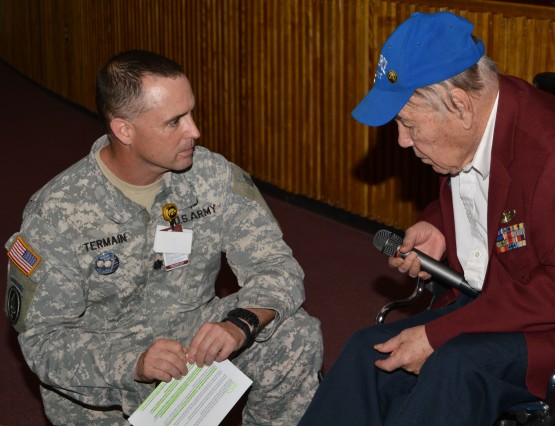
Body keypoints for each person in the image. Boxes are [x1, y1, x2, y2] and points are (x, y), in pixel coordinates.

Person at [300, 11, 555, 425]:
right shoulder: (482, 116)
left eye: (407, 124)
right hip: (494, 297)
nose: (403, 141)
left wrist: (439, 333)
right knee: (365, 351)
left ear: (459, 104)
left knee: (453, 366)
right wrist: (438, 226)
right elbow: (480, 191)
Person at [4, 49, 323, 425]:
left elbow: (277, 266)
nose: (194, 131)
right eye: (174, 122)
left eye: (191, 113)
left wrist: (240, 323)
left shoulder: (213, 177)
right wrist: (134, 364)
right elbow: (42, 341)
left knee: (296, 335)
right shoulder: (55, 214)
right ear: (124, 129)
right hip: (108, 383)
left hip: (194, 350)